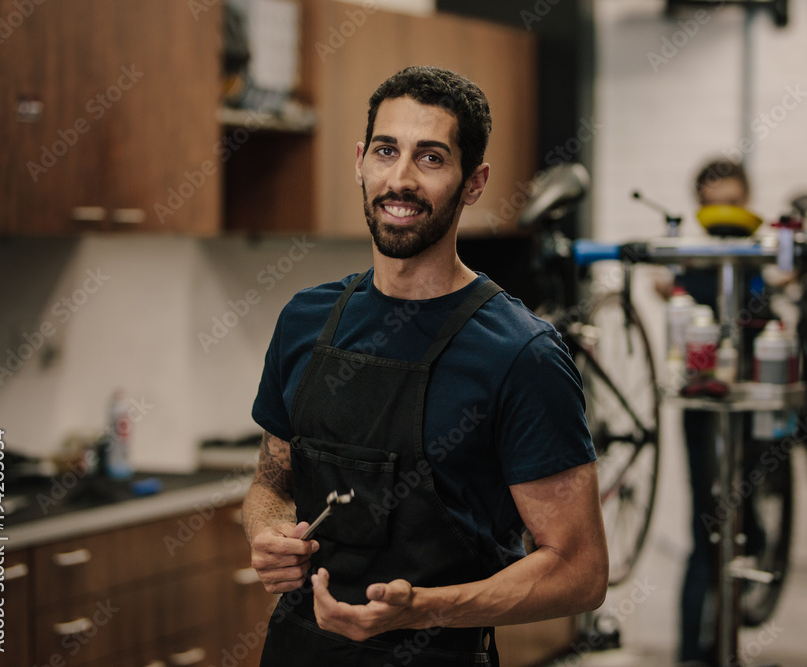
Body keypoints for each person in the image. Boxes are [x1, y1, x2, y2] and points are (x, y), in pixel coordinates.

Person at [243, 65, 609, 667]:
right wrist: (268, 532)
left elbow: (580, 571)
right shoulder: (305, 321)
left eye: (431, 158)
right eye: (386, 151)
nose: (401, 179)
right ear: (360, 160)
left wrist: (428, 609)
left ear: (474, 182)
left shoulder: (521, 354)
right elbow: (270, 484)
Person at [674, 159, 771, 665]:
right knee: (704, 532)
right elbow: (667, 291)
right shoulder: (689, 260)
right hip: (704, 408)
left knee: (745, 519)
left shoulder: (760, 256)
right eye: (715, 204)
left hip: (754, 404)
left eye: (735, 201)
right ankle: (693, 656)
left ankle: (754, 533)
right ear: (700, 207)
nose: (726, 213)